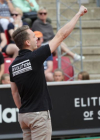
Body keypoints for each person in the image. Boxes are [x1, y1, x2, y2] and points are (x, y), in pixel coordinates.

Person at [9, 6, 87, 139]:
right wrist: (78, 14)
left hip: (24, 116)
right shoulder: (35, 56)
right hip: (38, 115)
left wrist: (24, 110)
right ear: (27, 42)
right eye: (34, 37)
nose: (36, 39)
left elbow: (14, 93)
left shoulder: (13, 65)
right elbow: (61, 35)